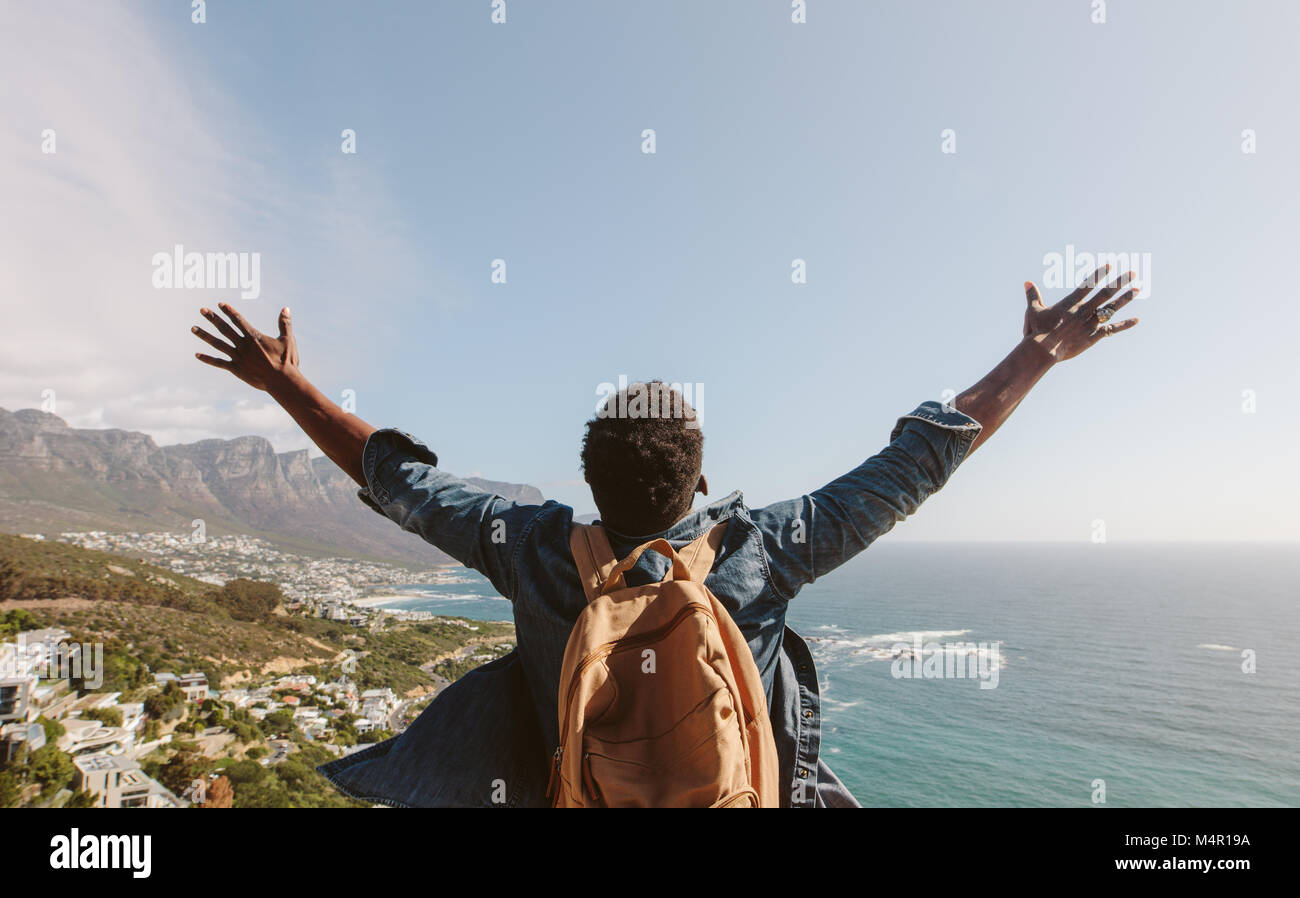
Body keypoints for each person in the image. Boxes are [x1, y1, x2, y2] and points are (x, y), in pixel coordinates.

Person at [190, 265, 1139, 806]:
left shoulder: (529, 547)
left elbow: (397, 481)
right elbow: (917, 461)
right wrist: (1037, 352)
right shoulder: (766, 548)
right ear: (705, 477)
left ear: (588, 484)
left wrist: (285, 387)